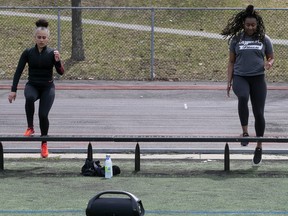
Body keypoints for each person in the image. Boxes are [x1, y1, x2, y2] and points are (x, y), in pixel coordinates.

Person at [221, 5, 274, 165]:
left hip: (258, 78)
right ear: (243, 24)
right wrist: (229, 81)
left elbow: (271, 57)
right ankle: (245, 133)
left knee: (259, 113)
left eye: (253, 25)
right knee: (243, 97)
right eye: (247, 25)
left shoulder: (264, 39)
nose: (250, 27)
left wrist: (269, 63)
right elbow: (231, 61)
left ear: (257, 25)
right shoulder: (237, 39)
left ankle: (259, 146)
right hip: (240, 77)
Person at [8, 18, 64, 158]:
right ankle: (30, 127)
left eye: (44, 37)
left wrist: (58, 61)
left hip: (47, 87)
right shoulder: (28, 52)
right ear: (35, 37)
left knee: (43, 115)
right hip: (33, 84)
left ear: (48, 39)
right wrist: (13, 90)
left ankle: (44, 143)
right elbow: (18, 71)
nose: (41, 40)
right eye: (39, 37)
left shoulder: (52, 53)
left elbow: (61, 72)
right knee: (30, 97)